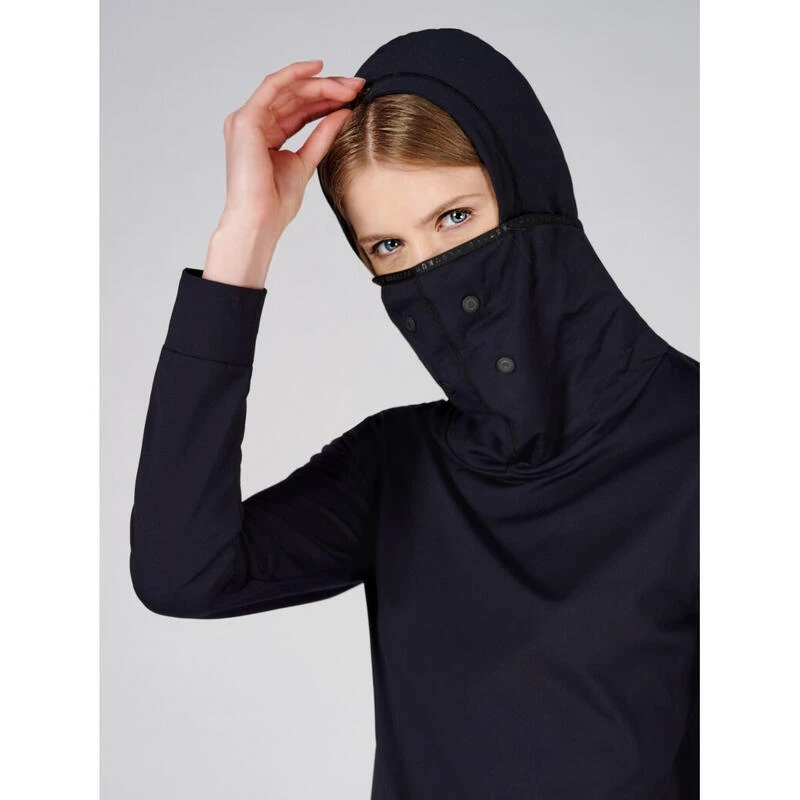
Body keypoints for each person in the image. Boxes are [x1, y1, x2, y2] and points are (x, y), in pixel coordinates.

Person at [130, 27, 699, 800]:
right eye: (389, 247)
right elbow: (182, 575)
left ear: (531, 192)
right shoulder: (395, 468)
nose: (432, 273)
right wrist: (244, 238)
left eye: (455, 217)